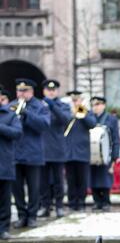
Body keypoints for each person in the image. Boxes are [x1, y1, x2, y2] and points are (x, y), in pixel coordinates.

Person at [9, 79, 51, 228]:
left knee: (34, 188)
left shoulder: (40, 106)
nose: (21, 93)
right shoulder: (11, 106)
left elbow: (44, 125)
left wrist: (27, 114)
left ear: (31, 92)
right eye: (19, 91)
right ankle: (21, 215)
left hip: (33, 154)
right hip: (15, 154)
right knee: (17, 189)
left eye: (24, 91)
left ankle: (32, 216)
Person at [38, 79, 71, 218]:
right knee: (43, 181)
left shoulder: (63, 106)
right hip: (42, 149)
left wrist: (52, 106)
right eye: (48, 90)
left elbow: (65, 119)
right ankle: (45, 206)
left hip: (57, 149)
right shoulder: (39, 106)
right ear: (44, 91)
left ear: (57, 91)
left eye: (53, 90)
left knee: (58, 181)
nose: (51, 92)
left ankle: (59, 206)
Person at [63, 90, 96, 211]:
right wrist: (71, 113)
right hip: (69, 153)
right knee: (71, 180)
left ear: (81, 100)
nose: (75, 102)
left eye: (77, 100)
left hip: (82, 153)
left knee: (82, 180)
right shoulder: (66, 112)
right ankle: (72, 203)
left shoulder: (86, 112)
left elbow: (92, 124)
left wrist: (81, 111)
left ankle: (81, 202)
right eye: (73, 100)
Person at [89, 96, 120, 211]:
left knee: (104, 180)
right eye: (93, 105)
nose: (95, 107)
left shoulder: (111, 119)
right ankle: (97, 202)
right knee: (93, 179)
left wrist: (114, 157)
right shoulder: (89, 118)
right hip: (92, 155)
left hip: (106, 154)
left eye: (97, 105)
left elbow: (116, 139)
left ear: (103, 105)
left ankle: (106, 202)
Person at [0, 98, 23, 239]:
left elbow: (17, 133)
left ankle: (3, 229)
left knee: (4, 199)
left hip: (4, 163)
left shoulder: (10, 115)